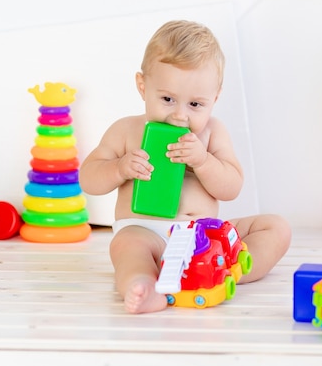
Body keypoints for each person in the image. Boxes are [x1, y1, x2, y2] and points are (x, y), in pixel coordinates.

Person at [79, 20, 292, 314]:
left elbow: (231, 187)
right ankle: (144, 285)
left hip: (204, 239)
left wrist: (203, 161)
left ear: (214, 98)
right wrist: (119, 168)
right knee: (127, 248)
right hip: (146, 232)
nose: (179, 115)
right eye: (167, 99)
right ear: (143, 86)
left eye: (195, 105)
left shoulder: (213, 133)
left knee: (275, 227)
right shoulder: (126, 130)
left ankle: (227, 270)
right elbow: (89, 179)